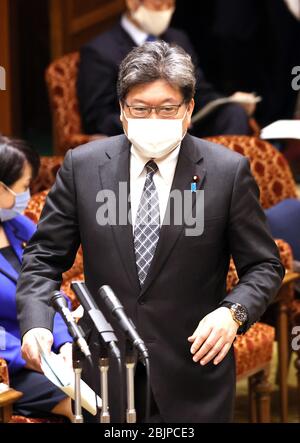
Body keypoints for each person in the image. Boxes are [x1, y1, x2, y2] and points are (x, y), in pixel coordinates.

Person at [17, 41, 284, 423]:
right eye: (140, 109)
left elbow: (264, 265)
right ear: (123, 112)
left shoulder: (228, 173)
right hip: (105, 376)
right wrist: (37, 324)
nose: (153, 119)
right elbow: (42, 259)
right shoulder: (83, 167)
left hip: (194, 374)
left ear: (189, 110)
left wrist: (232, 313)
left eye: (167, 109)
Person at [77, 0, 256, 138]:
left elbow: (200, 91)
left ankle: (222, 181)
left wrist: (227, 101)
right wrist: (151, 123)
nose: (164, 11)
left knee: (233, 113)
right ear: (133, 3)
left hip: (187, 127)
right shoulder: (99, 50)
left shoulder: (178, 38)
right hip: (139, 134)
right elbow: (97, 118)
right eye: (158, 5)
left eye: (169, 5)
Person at [0, 136, 73, 421]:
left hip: (52, 351)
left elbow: (47, 287)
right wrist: (31, 357)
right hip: (13, 365)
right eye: (23, 187)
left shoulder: (18, 225)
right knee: (85, 405)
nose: (28, 195)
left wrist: (65, 341)